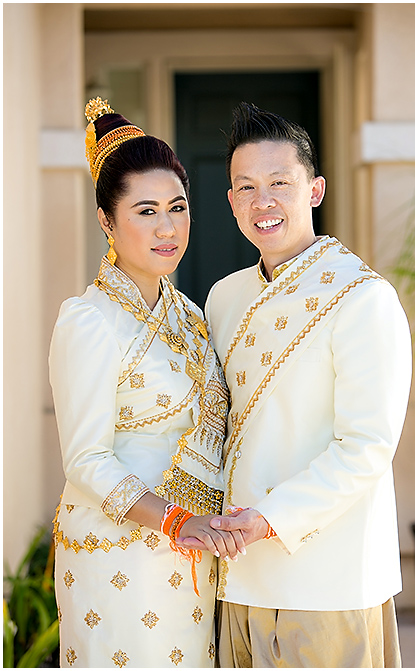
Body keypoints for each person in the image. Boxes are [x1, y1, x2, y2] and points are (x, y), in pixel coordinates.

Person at [194, 102, 412, 667]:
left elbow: (367, 447)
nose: (261, 202)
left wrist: (267, 519)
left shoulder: (365, 297)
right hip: (237, 575)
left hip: (328, 580)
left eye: (279, 183)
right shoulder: (223, 297)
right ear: (230, 202)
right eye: (245, 188)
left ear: (314, 190)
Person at [50, 98, 243, 667]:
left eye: (179, 207)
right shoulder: (87, 320)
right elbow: (85, 460)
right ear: (108, 222)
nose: (168, 227)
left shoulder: (191, 315)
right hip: (118, 557)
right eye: (146, 210)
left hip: (195, 553)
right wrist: (177, 519)